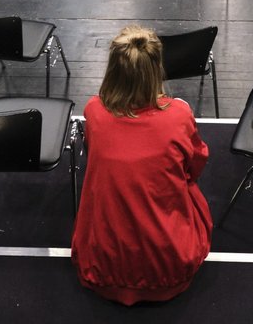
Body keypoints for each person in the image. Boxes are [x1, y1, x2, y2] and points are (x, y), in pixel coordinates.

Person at [72, 25, 213, 306]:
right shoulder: (179, 115)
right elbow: (196, 166)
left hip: (101, 270)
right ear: (156, 68)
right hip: (169, 272)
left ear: (113, 69)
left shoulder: (94, 112)